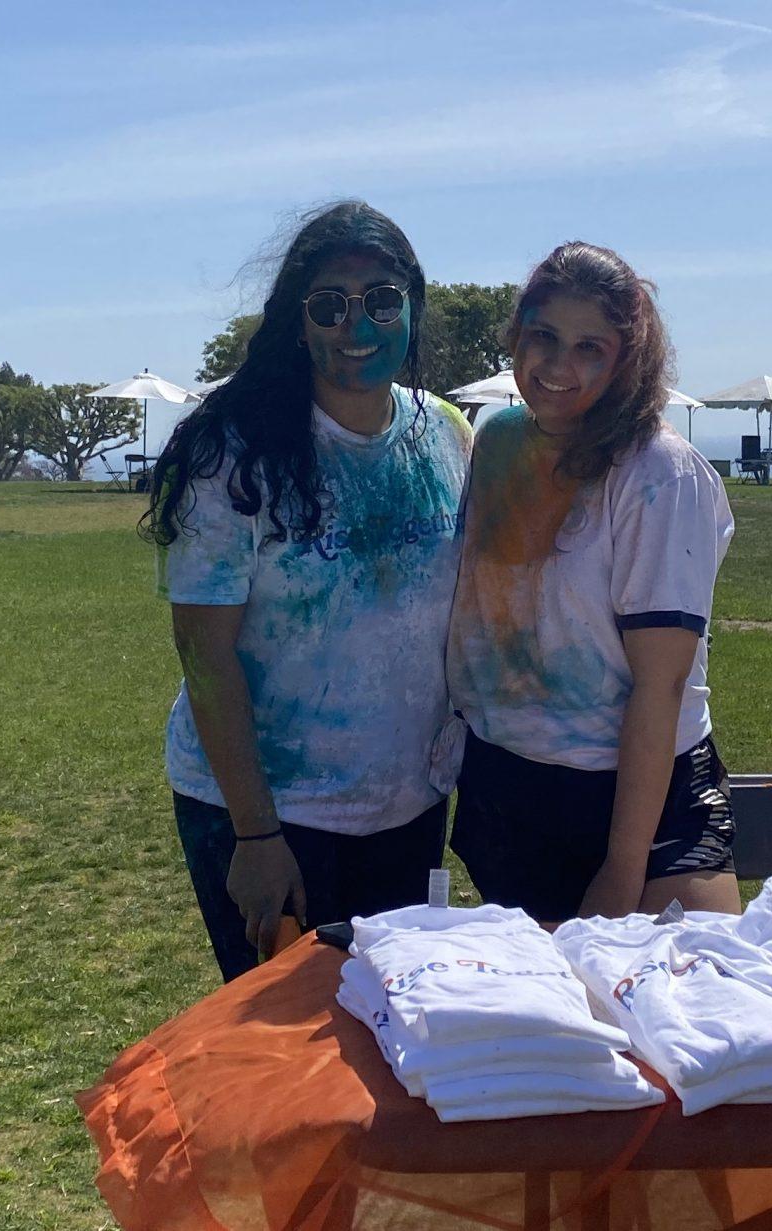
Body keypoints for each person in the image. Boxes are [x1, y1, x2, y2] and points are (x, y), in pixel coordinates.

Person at [143, 202, 472, 981]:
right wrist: (257, 837)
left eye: (382, 299)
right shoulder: (233, 455)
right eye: (329, 304)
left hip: (408, 806)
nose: (356, 323)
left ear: (413, 308)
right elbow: (203, 650)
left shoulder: (450, 436)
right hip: (269, 816)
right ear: (298, 321)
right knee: (288, 1061)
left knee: (394, 1037)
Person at [447, 241, 740, 922]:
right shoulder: (498, 442)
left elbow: (660, 682)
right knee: (547, 1026)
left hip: (641, 802)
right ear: (516, 334)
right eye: (543, 337)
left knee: (673, 1012)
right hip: (508, 787)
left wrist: (622, 866)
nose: (557, 366)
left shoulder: (659, 472)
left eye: (590, 348)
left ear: (626, 359)